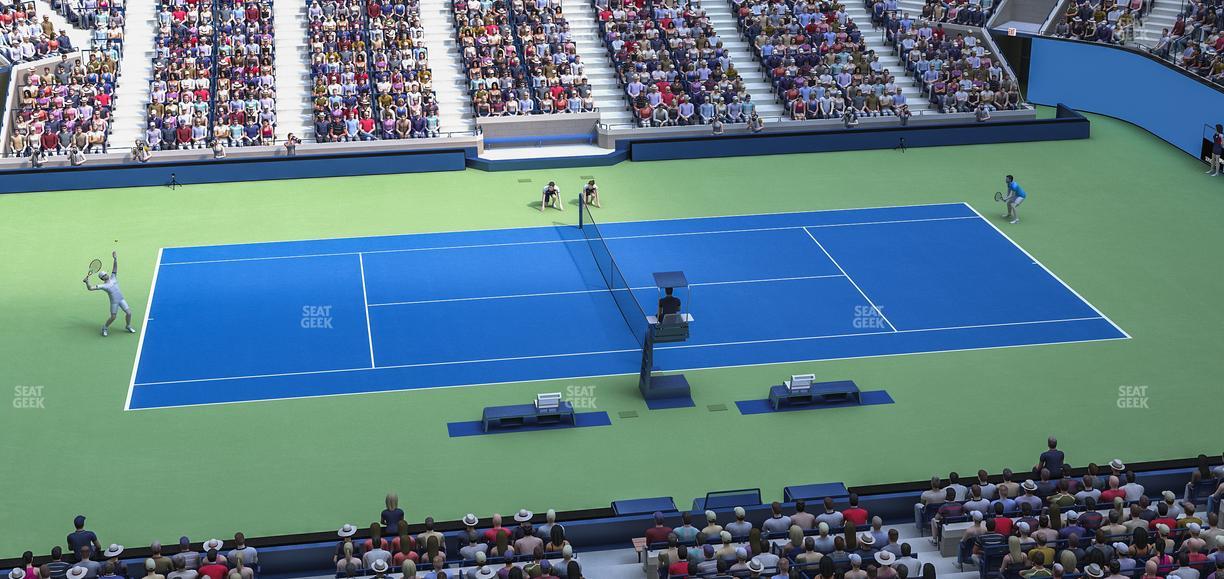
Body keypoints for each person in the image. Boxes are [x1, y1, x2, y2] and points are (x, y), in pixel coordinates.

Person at [84, 251, 134, 336]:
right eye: (104, 275)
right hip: (114, 302)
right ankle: (105, 328)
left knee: (129, 313)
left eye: (106, 274)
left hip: (121, 299)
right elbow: (90, 288)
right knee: (113, 317)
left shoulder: (113, 278)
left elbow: (115, 268)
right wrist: (87, 282)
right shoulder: (103, 286)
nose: (106, 275)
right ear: (102, 278)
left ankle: (128, 326)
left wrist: (115, 259)